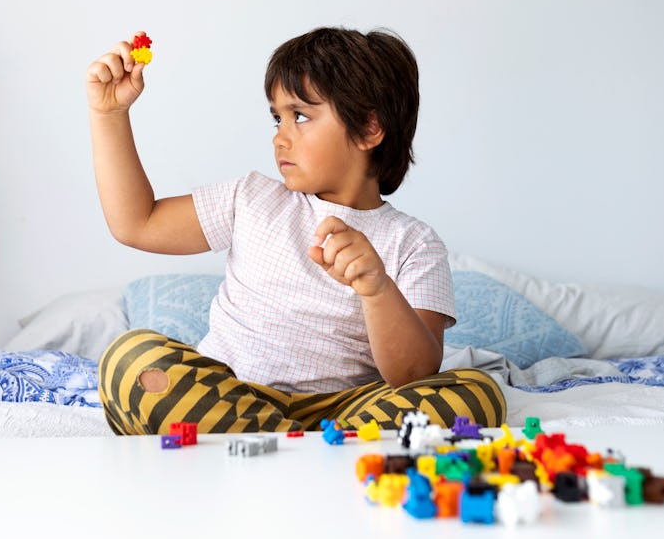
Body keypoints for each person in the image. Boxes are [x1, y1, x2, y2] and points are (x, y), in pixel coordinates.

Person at [86, 26, 506, 435]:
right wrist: (109, 114)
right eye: (277, 119)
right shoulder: (250, 198)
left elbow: (414, 373)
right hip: (232, 392)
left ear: (368, 129)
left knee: (477, 394)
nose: (279, 139)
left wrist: (377, 289)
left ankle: (274, 442)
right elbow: (136, 223)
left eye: (300, 116)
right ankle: (304, 447)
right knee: (129, 359)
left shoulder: (415, 243)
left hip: (341, 409)